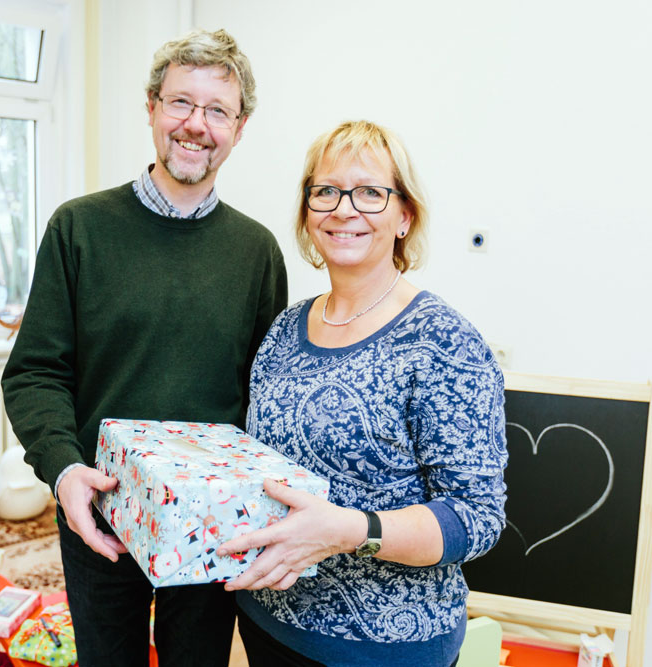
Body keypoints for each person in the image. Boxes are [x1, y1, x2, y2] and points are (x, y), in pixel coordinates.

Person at [1, 29, 288, 667]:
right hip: (99, 514)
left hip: (213, 527)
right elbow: (35, 373)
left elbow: (265, 396)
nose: (197, 124)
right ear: (153, 108)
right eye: (181, 103)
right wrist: (64, 469)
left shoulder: (257, 252)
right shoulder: (79, 229)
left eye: (218, 110)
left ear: (239, 129)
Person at [216, 120, 508, 667]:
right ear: (307, 215)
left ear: (405, 216)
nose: (343, 209)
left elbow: (477, 517)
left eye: (370, 192)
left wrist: (351, 530)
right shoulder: (283, 330)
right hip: (269, 623)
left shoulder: (442, 341)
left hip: (386, 648)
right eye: (325, 191)